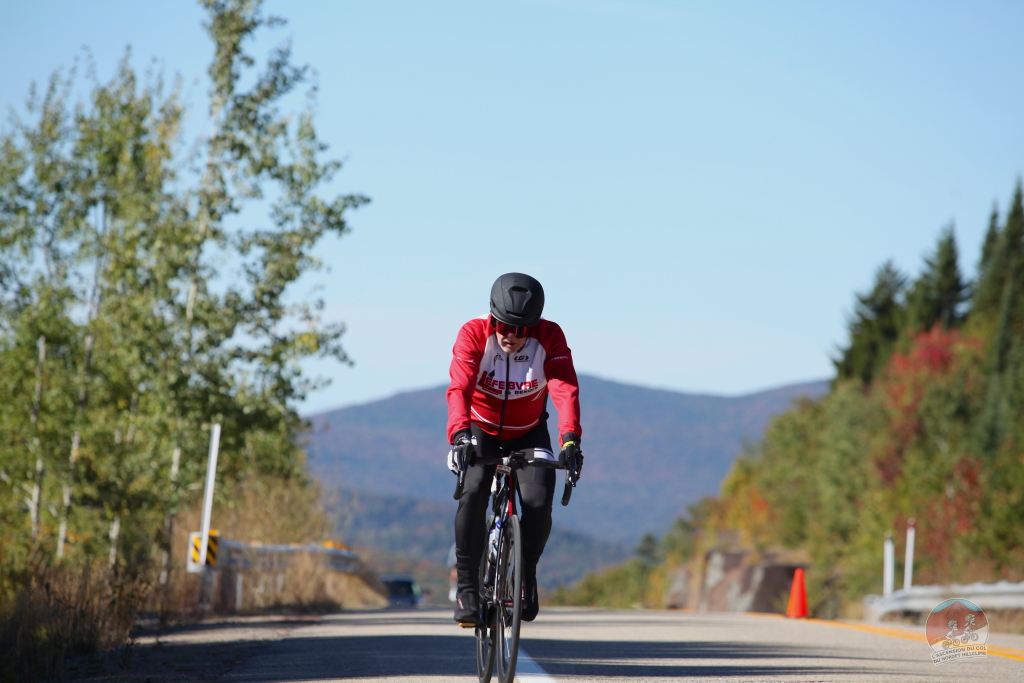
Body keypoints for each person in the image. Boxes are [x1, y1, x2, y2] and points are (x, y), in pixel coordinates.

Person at [446, 272, 583, 627]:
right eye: (505, 326)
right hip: (481, 429)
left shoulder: (550, 336)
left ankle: (526, 573)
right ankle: (467, 587)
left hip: (529, 432)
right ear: (493, 317)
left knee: (537, 502)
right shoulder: (473, 333)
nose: (512, 335)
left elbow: (564, 388)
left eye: (523, 330)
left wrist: (570, 439)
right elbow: (459, 388)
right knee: (474, 489)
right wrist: (460, 435)